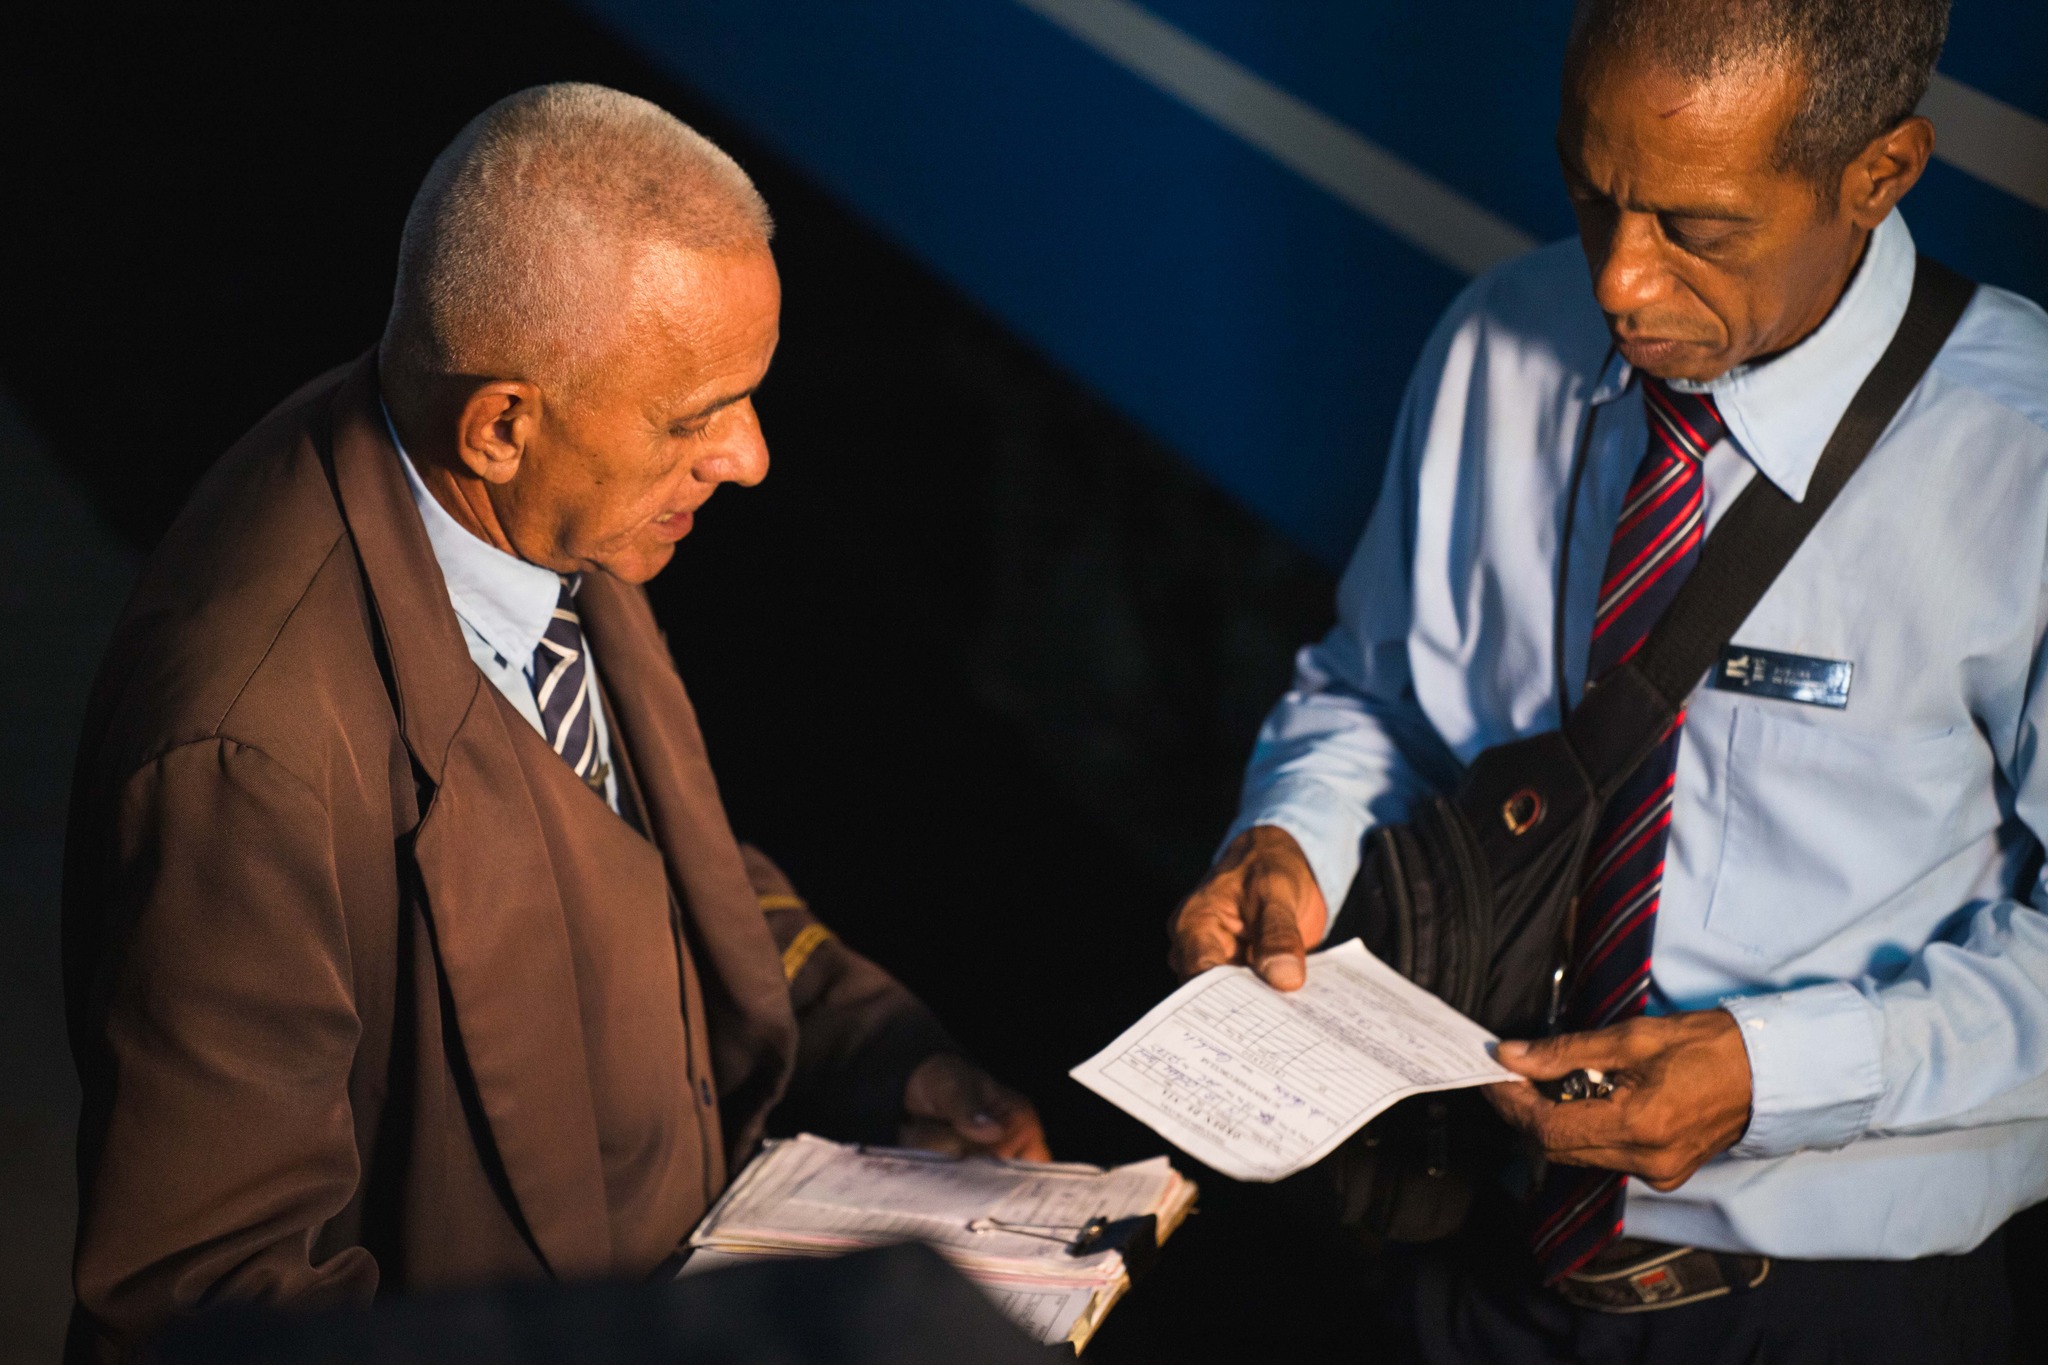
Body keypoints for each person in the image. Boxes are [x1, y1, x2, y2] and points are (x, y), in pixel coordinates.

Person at [61, 83, 1046, 1362]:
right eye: (696, 418)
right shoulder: (248, 762)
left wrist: (878, 1049)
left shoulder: (527, 507)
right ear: (503, 427)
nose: (748, 457)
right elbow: (206, 1320)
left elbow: (649, 853)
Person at [1170, 0, 2048, 1360]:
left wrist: (1775, 1076)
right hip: (1466, 1250)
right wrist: (1292, 837)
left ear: (1879, 173)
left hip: (1832, 1311)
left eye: (1698, 228)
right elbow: (1375, 694)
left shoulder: (2020, 460)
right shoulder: (1494, 340)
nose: (1618, 284)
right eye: (1592, 197)